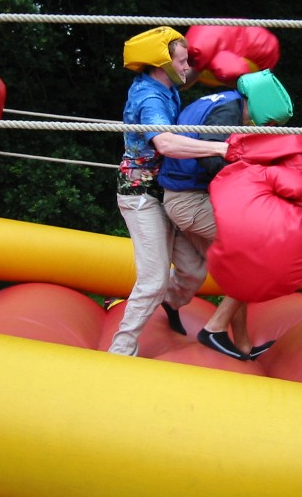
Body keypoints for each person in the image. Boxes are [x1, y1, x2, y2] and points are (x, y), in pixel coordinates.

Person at [108, 26, 233, 357]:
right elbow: (164, 142)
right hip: (140, 194)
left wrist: (214, 59)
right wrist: (220, 148)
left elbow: (187, 79)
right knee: (153, 279)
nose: (186, 67)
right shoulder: (150, 99)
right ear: (161, 64)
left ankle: (168, 301)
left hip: (167, 191)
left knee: (194, 269)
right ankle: (120, 351)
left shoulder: (164, 84)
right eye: (181, 61)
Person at [158, 69, 294, 360]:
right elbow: (212, 162)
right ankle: (215, 328)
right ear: (259, 109)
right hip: (190, 202)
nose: (265, 128)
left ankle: (242, 343)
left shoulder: (226, 101)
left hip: (191, 197)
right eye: (267, 123)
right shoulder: (226, 114)